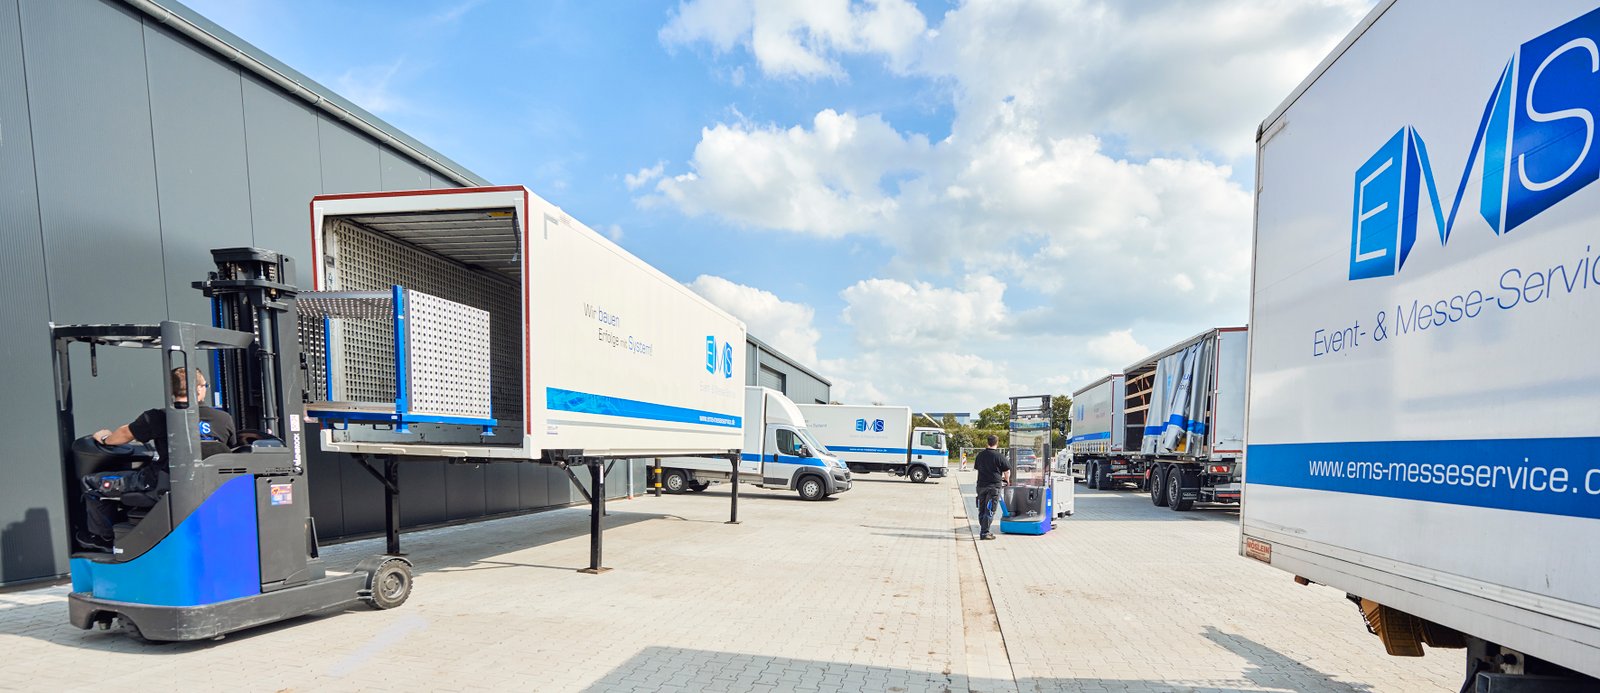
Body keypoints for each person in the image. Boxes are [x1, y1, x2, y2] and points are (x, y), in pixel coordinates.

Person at [77, 367, 237, 551]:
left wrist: (105, 438)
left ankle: (102, 540)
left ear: (171, 391)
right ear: (200, 388)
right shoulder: (223, 419)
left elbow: (122, 436)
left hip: (160, 486)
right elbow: (229, 451)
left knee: (91, 483)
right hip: (210, 489)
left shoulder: (158, 417)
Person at [974, 434, 1011, 540]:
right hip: (994, 487)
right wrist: (1007, 480)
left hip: (981, 486)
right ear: (997, 443)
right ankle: (984, 533)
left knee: (981, 509)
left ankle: (983, 529)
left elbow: (978, 468)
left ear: (987, 442)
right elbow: (1007, 471)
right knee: (990, 509)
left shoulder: (980, 455)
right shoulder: (999, 456)